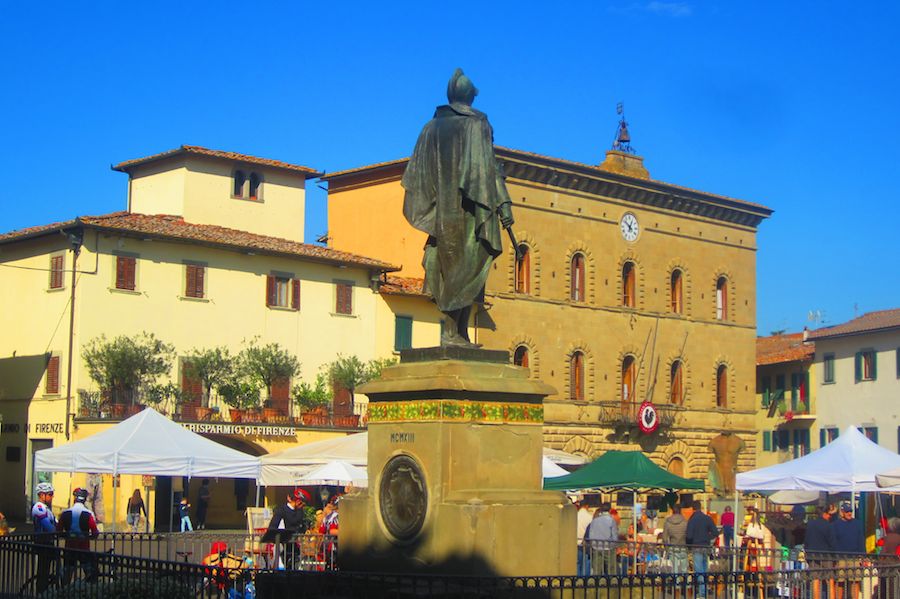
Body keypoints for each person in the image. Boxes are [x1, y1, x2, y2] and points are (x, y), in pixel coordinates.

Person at [402, 68, 515, 347]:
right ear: (470, 97)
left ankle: (458, 333)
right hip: (469, 211)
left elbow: (416, 175)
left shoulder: (429, 128)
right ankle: (453, 333)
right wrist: (504, 204)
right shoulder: (477, 124)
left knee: (453, 268)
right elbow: (487, 169)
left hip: (441, 213)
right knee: (469, 268)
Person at [57, 487, 100, 582]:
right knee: (90, 573)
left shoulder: (65, 513)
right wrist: (86, 537)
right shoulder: (89, 514)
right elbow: (95, 532)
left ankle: (64, 592)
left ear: (74, 498)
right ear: (84, 500)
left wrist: (68, 535)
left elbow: (58, 530)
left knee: (67, 575)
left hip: (69, 547)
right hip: (84, 547)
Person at [265, 488, 311, 569]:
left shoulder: (299, 512)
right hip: (281, 544)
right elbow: (273, 526)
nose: (300, 504)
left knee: (293, 566)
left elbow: (300, 526)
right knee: (281, 566)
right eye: (299, 501)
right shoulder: (281, 510)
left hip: (293, 545)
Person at [686, 500, 718, 599]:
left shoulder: (692, 520)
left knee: (699, 570)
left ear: (693, 509)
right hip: (706, 546)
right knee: (704, 569)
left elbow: (689, 536)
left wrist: (689, 545)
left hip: (696, 547)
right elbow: (715, 532)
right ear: (700, 507)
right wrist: (708, 538)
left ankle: (702, 593)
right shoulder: (707, 518)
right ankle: (703, 589)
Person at [833, 502, 866, 599]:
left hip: (854, 557)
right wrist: (834, 558)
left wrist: (863, 556)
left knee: (855, 581)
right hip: (840, 558)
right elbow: (833, 541)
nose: (849, 513)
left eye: (850, 511)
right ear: (842, 512)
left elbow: (861, 539)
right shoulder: (835, 524)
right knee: (840, 582)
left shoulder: (857, 523)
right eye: (847, 511)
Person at [806, 505, 838, 599]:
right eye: (829, 514)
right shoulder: (829, 525)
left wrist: (807, 553)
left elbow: (807, 540)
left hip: (813, 555)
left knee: (815, 580)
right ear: (824, 514)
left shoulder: (811, 524)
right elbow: (832, 542)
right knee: (830, 580)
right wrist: (835, 557)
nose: (830, 516)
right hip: (826, 556)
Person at [32, 482, 58, 593]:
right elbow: (50, 527)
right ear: (42, 495)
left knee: (47, 571)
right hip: (42, 544)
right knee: (42, 572)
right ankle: (40, 593)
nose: (52, 497)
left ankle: (45, 591)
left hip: (49, 544)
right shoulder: (39, 508)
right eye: (50, 494)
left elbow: (56, 525)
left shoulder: (47, 508)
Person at [585, 502, 619, 575]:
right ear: (610, 510)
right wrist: (613, 545)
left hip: (596, 546)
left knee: (596, 569)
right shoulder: (611, 520)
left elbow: (591, 535)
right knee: (611, 569)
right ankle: (611, 584)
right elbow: (614, 536)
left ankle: (596, 584)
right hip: (608, 547)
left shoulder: (594, 521)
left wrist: (593, 545)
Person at [662, 505, 689, 573]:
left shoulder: (668, 522)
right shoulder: (685, 521)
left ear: (672, 511)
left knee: (675, 570)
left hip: (673, 547)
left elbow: (664, 537)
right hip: (683, 546)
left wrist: (667, 548)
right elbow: (688, 534)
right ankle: (686, 582)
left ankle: (676, 583)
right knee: (684, 569)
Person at [576, 499, 594, 576]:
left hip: (576, 542)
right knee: (586, 563)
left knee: (577, 563)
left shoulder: (575, 515)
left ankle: (577, 579)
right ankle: (585, 581)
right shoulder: (590, 517)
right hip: (586, 542)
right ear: (587, 506)